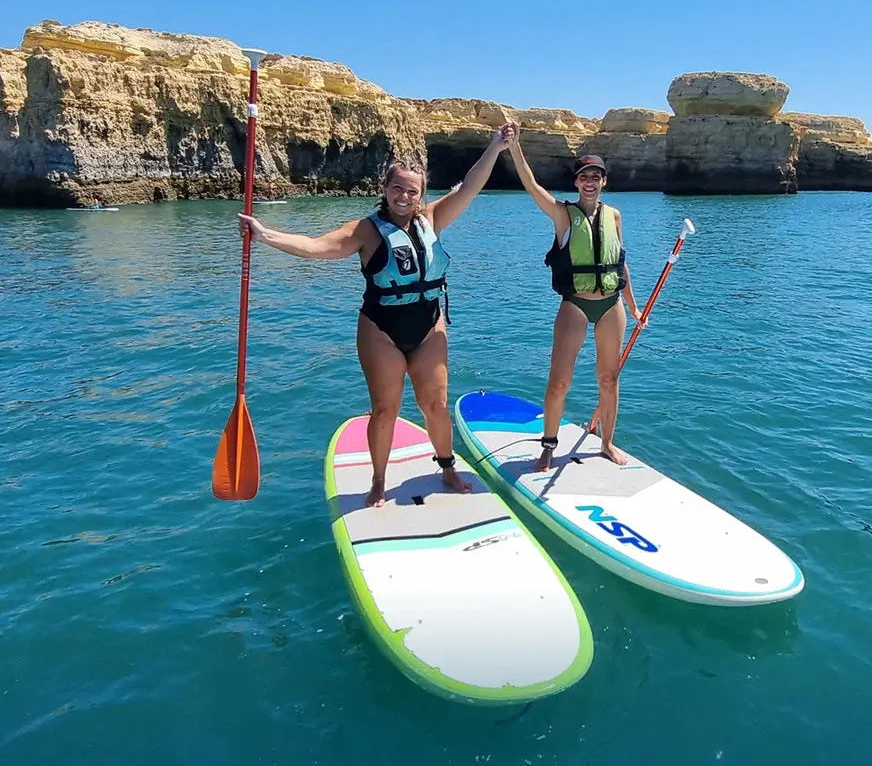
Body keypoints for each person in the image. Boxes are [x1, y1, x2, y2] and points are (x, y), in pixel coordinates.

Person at [238, 125, 514, 506]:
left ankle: (447, 467)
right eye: (397, 188)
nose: (404, 196)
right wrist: (265, 235)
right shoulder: (365, 230)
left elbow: (470, 186)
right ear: (385, 189)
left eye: (412, 190)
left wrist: (495, 148)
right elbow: (318, 248)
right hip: (381, 328)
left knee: (435, 404)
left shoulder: (431, 219)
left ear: (421, 195)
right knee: (386, 409)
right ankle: (379, 480)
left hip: (428, 326)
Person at [505, 125, 644, 470]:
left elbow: (619, 264)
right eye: (584, 176)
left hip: (611, 305)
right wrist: (516, 148)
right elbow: (531, 186)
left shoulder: (615, 216)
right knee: (560, 381)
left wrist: (634, 307)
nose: (590, 181)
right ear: (577, 182)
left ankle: (607, 443)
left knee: (609, 379)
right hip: (576, 306)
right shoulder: (563, 215)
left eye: (596, 176)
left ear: (604, 181)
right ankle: (549, 444)